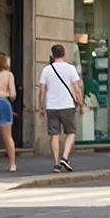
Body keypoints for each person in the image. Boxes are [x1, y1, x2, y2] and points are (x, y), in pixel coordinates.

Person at [38, 44, 83, 173]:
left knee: (54, 134)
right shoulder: (70, 69)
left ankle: (56, 163)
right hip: (67, 106)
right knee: (71, 133)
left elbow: (42, 90)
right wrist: (81, 105)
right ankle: (65, 156)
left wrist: (41, 107)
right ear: (64, 54)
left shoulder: (46, 70)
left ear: (52, 55)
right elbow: (77, 89)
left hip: (51, 107)